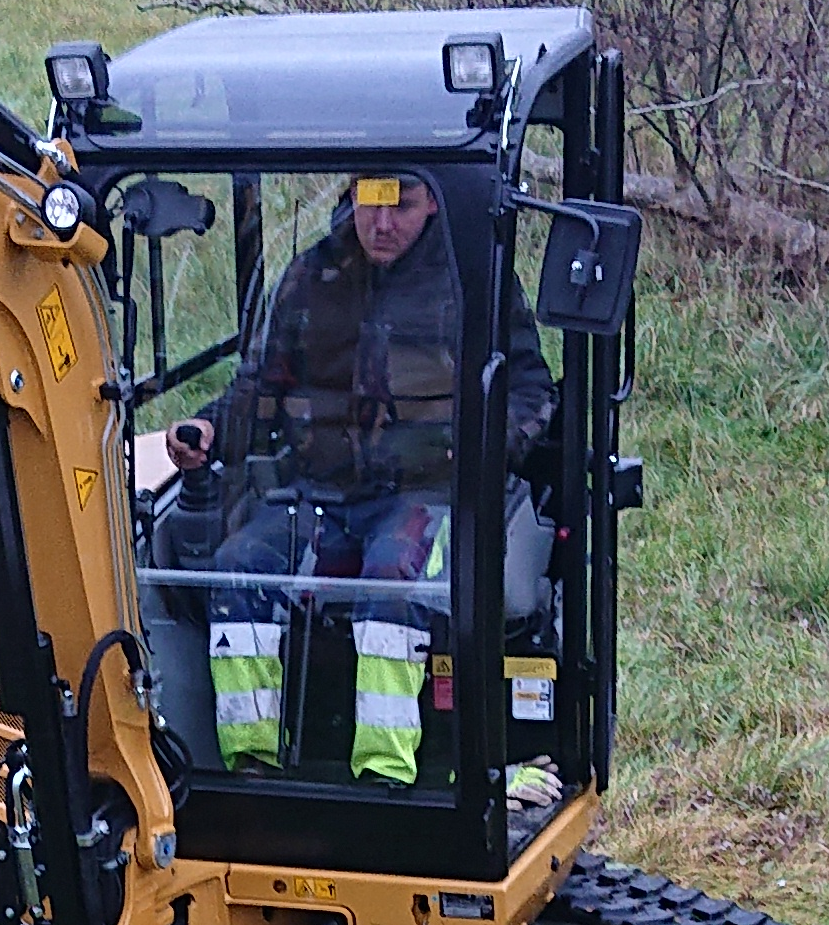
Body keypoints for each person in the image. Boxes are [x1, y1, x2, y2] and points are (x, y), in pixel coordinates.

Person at [164, 175, 555, 784]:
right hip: (317, 496)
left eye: (401, 205)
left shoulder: (475, 280)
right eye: (372, 201)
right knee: (238, 568)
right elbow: (260, 383)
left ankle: (385, 779)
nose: (381, 222)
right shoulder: (311, 277)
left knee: (392, 581)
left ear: (434, 202)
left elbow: (532, 391)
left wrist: (486, 452)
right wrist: (208, 428)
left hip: (426, 495)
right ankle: (252, 774)